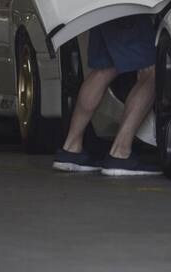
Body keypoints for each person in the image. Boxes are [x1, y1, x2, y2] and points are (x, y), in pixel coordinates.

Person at [52, 15, 160, 176]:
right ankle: (120, 152)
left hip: (103, 4)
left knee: (105, 69)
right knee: (150, 71)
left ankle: (71, 148)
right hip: (127, 2)